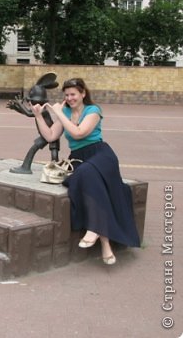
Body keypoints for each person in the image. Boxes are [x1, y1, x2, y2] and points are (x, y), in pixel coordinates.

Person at [30, 78, 140, 265]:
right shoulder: (65, 112)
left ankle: (94, 230)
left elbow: (79, 133)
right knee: (87, 179)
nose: (69, 98)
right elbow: (50, 136)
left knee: (86, 174)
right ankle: (104, 241)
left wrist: (58, 113)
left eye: (73, 94)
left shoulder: (93, 111)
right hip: (80, 159)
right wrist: (38, 115)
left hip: (101, 155)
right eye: (66, 95)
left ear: (83, 94)